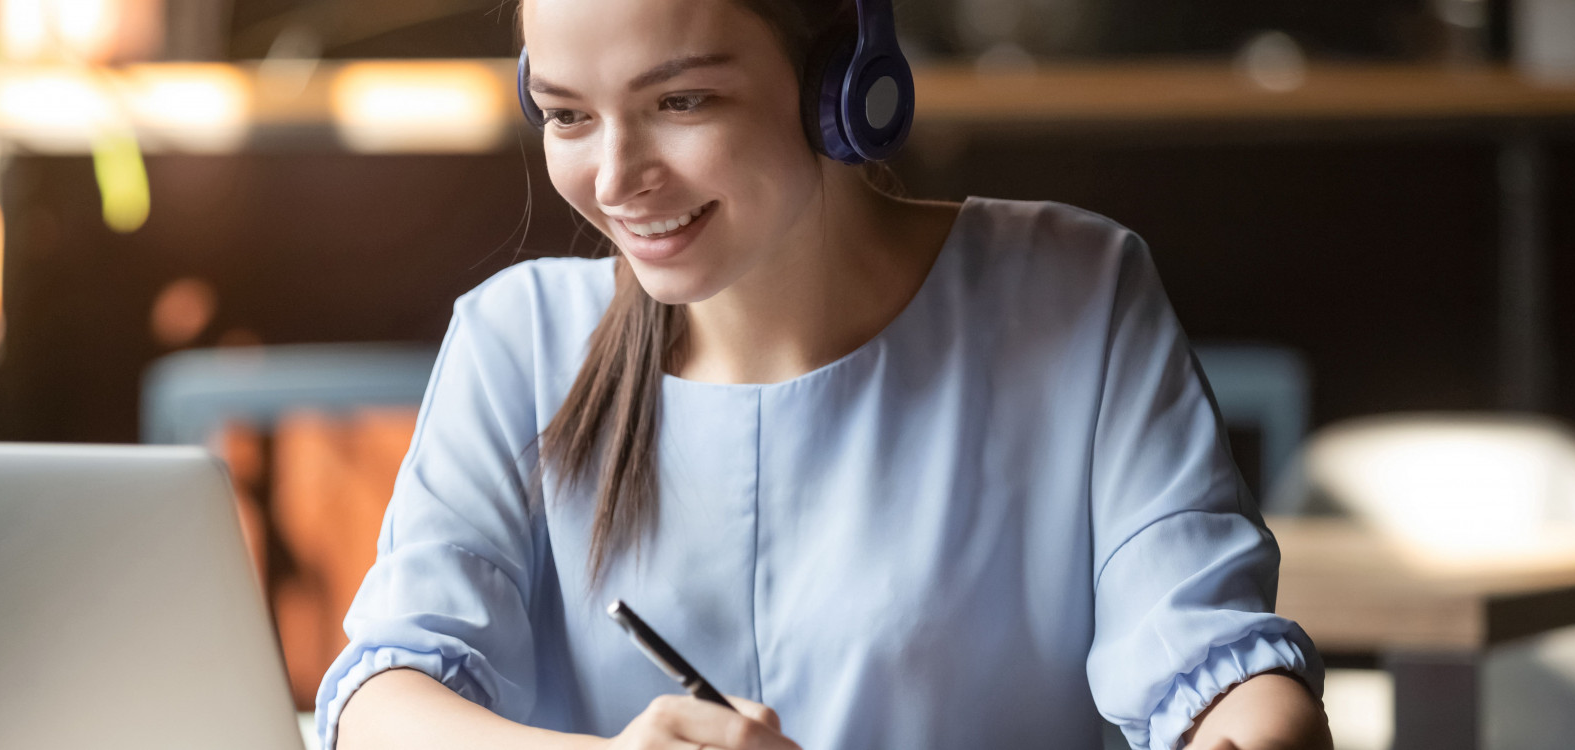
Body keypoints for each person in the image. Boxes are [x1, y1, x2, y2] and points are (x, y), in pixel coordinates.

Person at [315, 0, 1333, 748]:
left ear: (845, 86)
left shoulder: (1075, 293)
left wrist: (1258, 726)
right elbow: (379, 701)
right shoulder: (518, 336)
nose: (617, 179)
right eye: (568, 116)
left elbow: (1212, 666)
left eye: (680, 100)